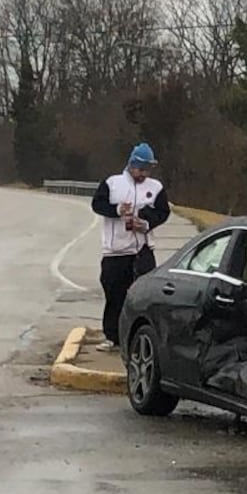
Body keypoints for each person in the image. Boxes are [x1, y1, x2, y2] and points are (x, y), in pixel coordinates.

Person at [90, 142, 171, 348]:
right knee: (115, 295)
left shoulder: (156, 188)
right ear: (131, 165)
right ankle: (112, 336)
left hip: (143, 250)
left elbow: (163, 212)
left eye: (147, 169)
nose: (143, 174)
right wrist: (117, 210)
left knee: (144, 297)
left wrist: (145, 222)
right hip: (116, 251)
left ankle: (142, 338)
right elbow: (97, 205)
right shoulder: (113, 183)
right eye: (140, 169)